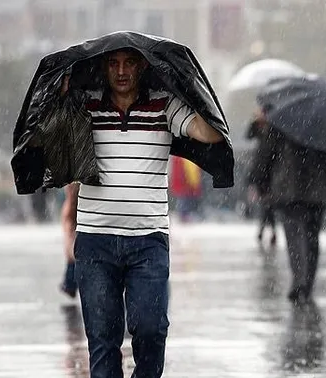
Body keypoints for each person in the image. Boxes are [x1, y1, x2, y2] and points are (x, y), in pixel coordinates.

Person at [69, 47, 224, 378]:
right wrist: (62, 96)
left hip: (148, 242)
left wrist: (196, 94)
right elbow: (46, 140)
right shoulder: (87, 105)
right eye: (113, 63)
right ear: (104, 68)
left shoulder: (164, 104)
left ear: (142, 66)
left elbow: (209, 133)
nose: (121, 71)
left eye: (129, 63)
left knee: (152, 330)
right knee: (102, 341)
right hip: (95, 240)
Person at [248, 108, 326, 304]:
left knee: (294, 233)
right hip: (317, 189)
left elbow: (266, 153)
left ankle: (299, 280)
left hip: (289, 187)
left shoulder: (279, 120)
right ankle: (307, 283)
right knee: (312, 236)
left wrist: (259, 181)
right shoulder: (322, 121)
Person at [246, 118, 277, 246]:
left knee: (267, 203)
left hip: (270, 173)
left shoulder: (274, 129)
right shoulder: (260, 129)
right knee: (266, 203)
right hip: (261, 173)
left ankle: (265, 229)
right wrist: (255, 121)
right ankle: (267, 230)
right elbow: (249, 135)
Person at [59, 182, 79, 298]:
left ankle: (70, 284)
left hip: (73, 212)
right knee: (72, 252)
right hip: (73, 212)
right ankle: (69, 283)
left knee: (71, 253)